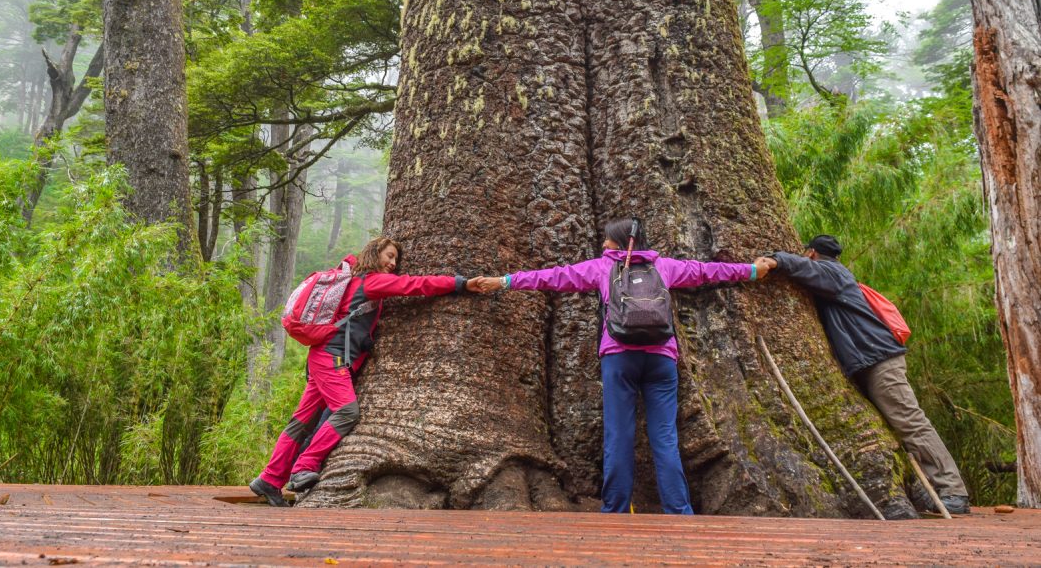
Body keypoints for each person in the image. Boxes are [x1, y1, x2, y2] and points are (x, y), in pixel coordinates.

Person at [477, 218, 773, 514]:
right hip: (661, 357)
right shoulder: (665, 266)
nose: (603, 244)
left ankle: (615, 510)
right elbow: (707, 272)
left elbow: (553, 277)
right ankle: (679, 511)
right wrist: (751, 270)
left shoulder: (602, 267)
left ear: (617, 243)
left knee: (618, 435)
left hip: (619, 357)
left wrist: (505, 281)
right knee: (665, 436)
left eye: (607, 239)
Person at [249, 236, 489, 507]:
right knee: (347, 411)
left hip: (323, 355)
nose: (393, 263)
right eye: (389, 256)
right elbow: (415, 284)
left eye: (396, 259)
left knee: (301, 422)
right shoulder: (371, 281)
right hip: (334, 358)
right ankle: (305, 465)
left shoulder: (354, 281)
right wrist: (460, 283)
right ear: (375, 254)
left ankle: (269, 479)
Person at [764, 234, 970, 515]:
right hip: (872, 360)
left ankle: (953, 492)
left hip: (880, 360)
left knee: (911, 422)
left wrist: (778, 258)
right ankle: (929, 489)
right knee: (898, 424)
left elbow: (808, 271)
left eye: (805, 254)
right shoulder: (837, 273)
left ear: (812, 253)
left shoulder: (834, 273)